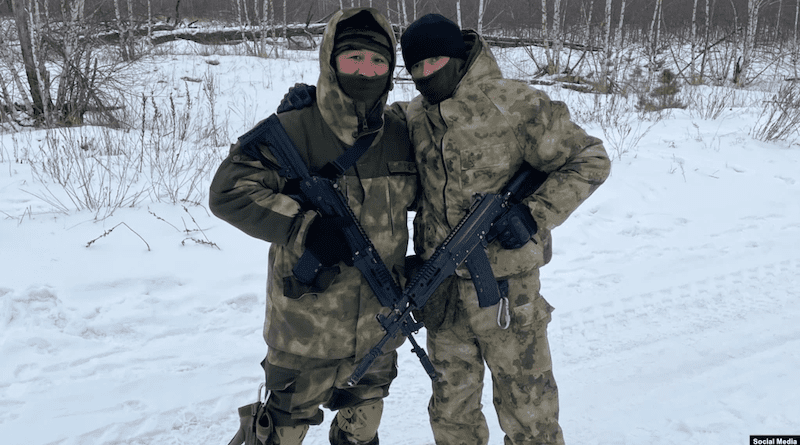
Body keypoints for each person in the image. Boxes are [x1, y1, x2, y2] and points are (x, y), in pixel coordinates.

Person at [399, 14, 612, 445]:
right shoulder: (415, 117)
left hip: (509, 298)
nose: (426, 74)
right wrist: (311, 106)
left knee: (529, 417)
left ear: (457, 58)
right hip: (442, 297)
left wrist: (534, 213)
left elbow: (591, 159)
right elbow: (359, 127)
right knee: (452, 418)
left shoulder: (516, 105)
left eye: (435, 61)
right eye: (416, 68)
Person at [209, 8, 417, 445]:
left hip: (379, 327)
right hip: (304, 330)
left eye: (378, 61)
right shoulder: (293, 128)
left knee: (361, 432)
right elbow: (228, 193)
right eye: (354, 58)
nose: (366, 70)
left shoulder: (400, 133)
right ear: (331, 61)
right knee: (278, 433)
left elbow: (434, 197)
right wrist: (303, 228)